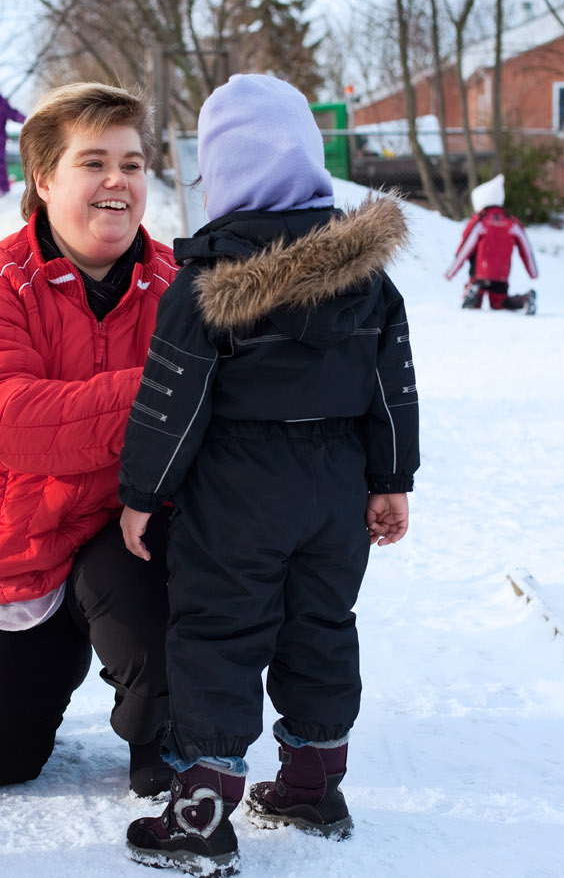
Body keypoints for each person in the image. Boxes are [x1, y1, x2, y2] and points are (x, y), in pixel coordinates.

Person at [115, 74, 420, 876]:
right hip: (337, 485)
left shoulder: (207, 283)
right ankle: (315, 783)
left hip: (238, 487)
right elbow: (395, 384)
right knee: (321, 624)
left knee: (218, 631)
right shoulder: (370, 278)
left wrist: (143, 494)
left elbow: (171, 405)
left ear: (223, 174)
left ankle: (202, 815)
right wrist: (392, 480)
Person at [0, 83, 179, 797]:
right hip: (20, 543)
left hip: (132, 540)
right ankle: (49, 646)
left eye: (131, 163)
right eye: (93, 162)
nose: (118, 182)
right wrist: (161, 393)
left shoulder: (177, 287)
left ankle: (164, 727)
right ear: (43, 178)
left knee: (163, 561)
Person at [443, 174, 538, 314]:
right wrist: (532, 273)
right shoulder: (511, 222)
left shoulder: (480, 221)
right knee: (500, 304)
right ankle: (524, 299)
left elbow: (465, 248)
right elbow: (526, 249)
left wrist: (451, 272)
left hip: (480, 274)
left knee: (474, 303)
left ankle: (472, 293)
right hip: (501, 276)